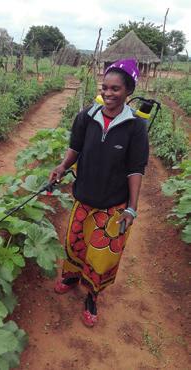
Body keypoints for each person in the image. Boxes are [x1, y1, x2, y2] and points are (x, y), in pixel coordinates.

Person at [49, 59, 149, 327]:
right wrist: (62, 166)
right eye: (104, 87)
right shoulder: (86, 117)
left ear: (128, 91)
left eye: (115, 89)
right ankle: (71, 278)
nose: (108, 93)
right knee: (75, 243)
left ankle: (92, 295)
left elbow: (135, 170)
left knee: (102, 256)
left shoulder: (136, 128)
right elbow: (76, 149)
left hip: (113, 206)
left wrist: (131, 208)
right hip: (84, 198)